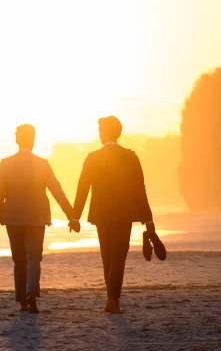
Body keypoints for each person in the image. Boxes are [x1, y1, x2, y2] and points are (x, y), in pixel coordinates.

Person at [0, 123, 77, 313]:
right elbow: (57, 190)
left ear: (17, 140)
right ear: (33, 140)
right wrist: (71, 216)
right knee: (34, 257)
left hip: (13, 218)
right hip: (37, 217)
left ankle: (22, 300)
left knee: (19, 260)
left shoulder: (6, 163)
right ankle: (31, 293)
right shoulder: (42, 164)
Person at [70, 115, 155, 314]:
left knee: (107, 255)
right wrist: (148, 219)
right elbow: (139, 190)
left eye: (100, 130)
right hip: (124, 214)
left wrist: (75, 217)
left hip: (101, 214)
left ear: (107, 132)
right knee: (118, 256)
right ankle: (112, 298)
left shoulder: (93, 157)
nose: (99, 134)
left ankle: (112, 298)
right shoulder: (131, 157)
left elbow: (82, 188)